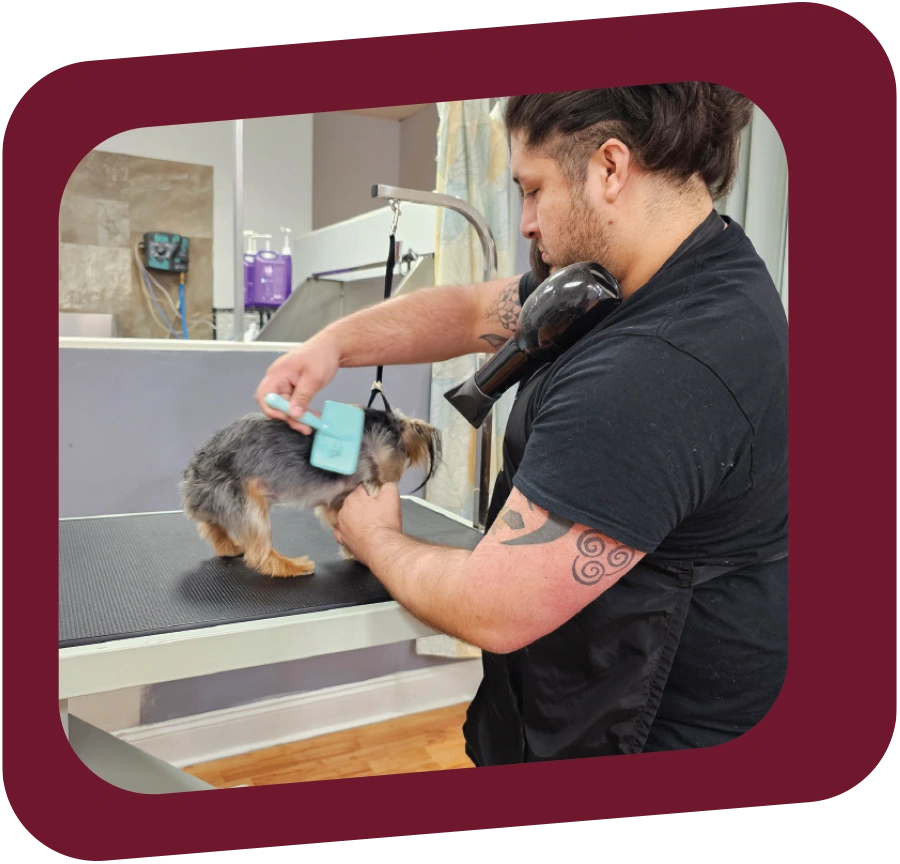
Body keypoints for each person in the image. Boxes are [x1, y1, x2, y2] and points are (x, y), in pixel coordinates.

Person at [254, 85, 789, 766]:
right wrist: (332, 343)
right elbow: (476, 310)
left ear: (610, 168)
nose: (527, 222)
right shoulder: (654, 272)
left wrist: (375, 535)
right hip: (570, 688)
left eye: (532, 190)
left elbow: (493, 607)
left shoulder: (658, 368)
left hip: (643, 741)